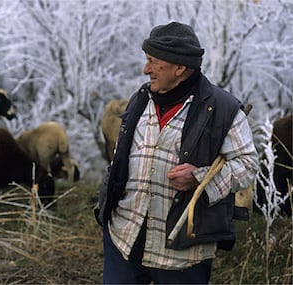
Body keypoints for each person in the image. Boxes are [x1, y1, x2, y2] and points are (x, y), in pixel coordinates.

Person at [94, 21, 258, 284]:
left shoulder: (223, 109)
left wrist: (201, 177)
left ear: (179, 67)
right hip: (124, 237)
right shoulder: (141, 100)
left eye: (152, 61)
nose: (145, 69)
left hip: (182, 253)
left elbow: (248, 164)